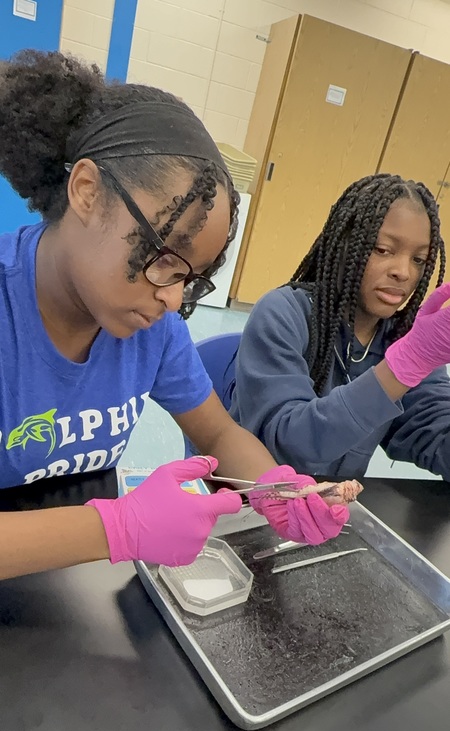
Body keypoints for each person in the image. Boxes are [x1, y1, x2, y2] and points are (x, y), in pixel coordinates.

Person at [0, 50, 349, 581]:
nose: (172, 298)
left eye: (193, 276)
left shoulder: (149, 325)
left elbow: (217, 435)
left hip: (67, 579)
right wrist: (116, 528)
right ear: (87, 192)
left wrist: (280, 489)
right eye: (164, 258)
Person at [231, 173, 450, 480]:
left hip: (329, 513)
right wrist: (405, 365)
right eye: (383, 250)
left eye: (418, 259)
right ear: (347, 244)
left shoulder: (404, 335)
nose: (403, 271)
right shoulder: (283, 314)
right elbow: (289, 446)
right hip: (250, 500)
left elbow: (434, 432)